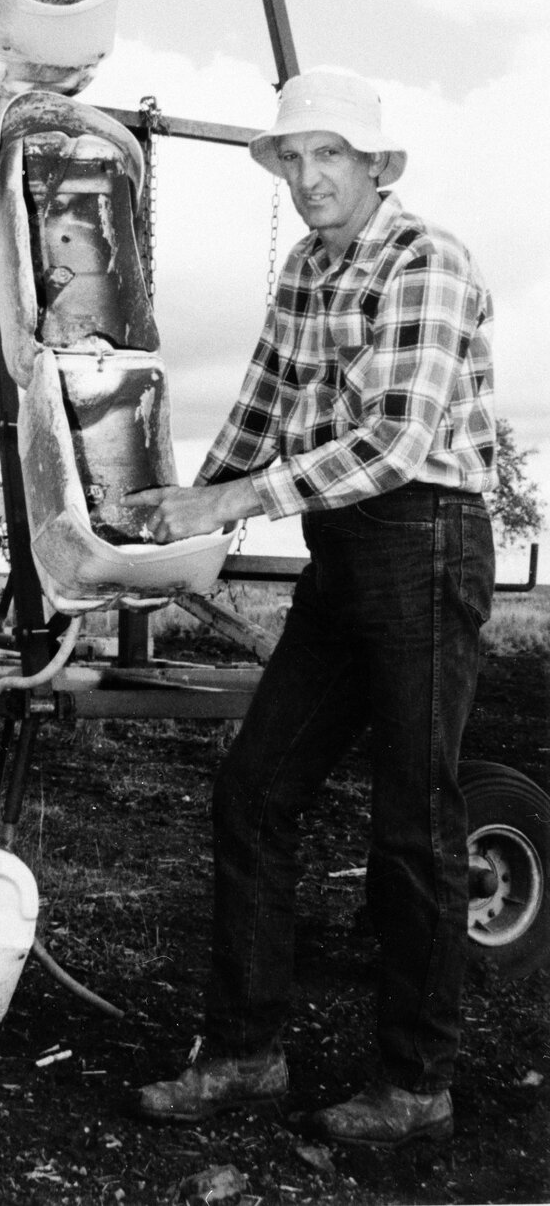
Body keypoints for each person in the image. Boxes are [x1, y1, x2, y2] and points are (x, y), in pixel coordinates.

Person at [129, 67, 496, 1147]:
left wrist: (239, 498)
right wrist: (178, 517)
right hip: (339, 547)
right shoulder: (304, 267)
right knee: (255, 785)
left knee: (414, 820)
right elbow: (259, 404)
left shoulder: (427, 262)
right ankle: (244, 1051)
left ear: (375, 167)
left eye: (327, 155)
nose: (306, 176)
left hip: (426, 537)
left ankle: (415, 1080)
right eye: (292, 157)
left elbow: (391, 443)